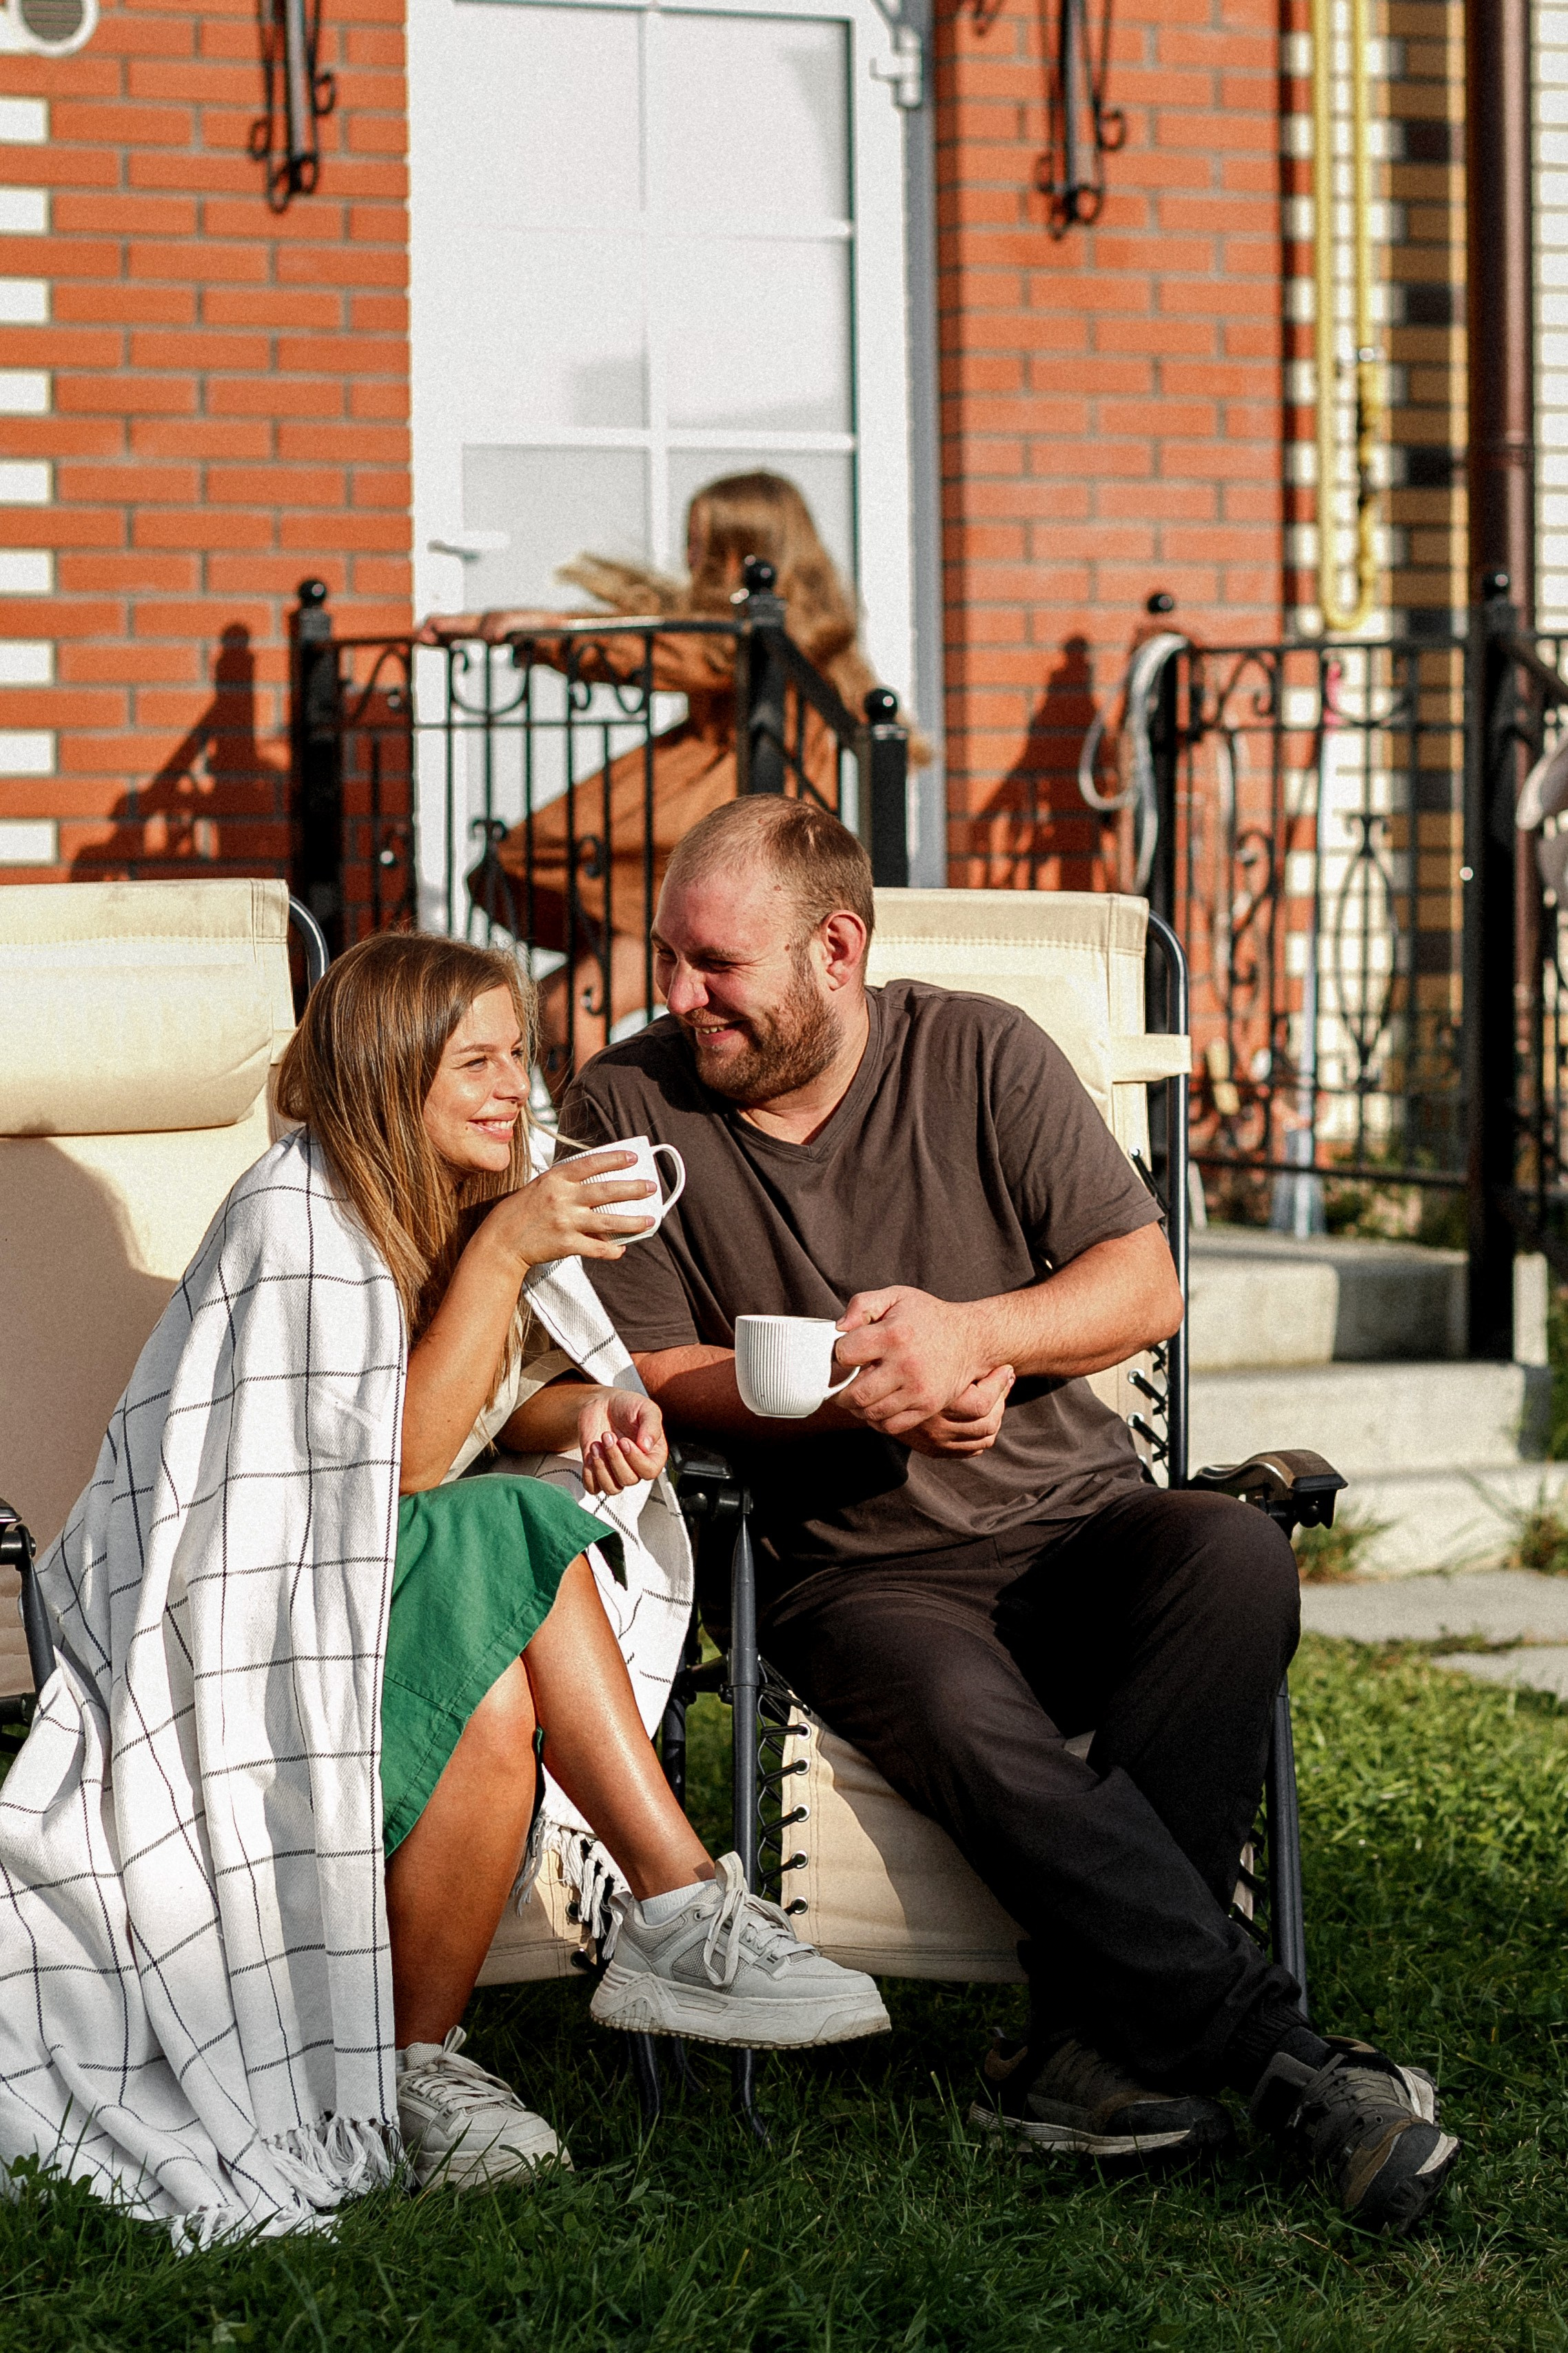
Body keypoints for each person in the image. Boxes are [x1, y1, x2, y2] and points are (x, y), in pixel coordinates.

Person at [559, 796, 1460, 2236]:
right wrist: (851, 1399)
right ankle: (1285, 2056)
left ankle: (1083, 2044)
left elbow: (1142, 1280)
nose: (676, 995)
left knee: (1230, 1549)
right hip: (861, 1576)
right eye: (667, 955)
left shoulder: (979, 1049)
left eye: (713, 963)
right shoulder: (630, 1104)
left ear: (835, 947)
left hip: (1073, 1521)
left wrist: (979, 1336)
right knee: (972, 1714)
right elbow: (652, 1366)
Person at [0, 931, 886, 2239]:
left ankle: (411, 2064)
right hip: (231, 1631)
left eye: (515, 1054)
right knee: (497, 1538)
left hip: (375, 1606)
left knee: (492, 1683)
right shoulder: (292, 1216)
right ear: (384, 1074)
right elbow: (395, 1458)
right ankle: (678, 1902)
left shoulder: (455, 1199)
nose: (507, 1086)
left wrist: (584, 1412)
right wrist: (507, 1251)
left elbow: (483, 1406)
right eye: (472, 1060)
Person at [416, 470, 924, 1083]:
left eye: (702, 543)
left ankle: (604, 1157)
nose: (689, 558)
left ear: (746, 551)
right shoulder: (774, 636)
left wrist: (540, 629)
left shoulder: (766, 640)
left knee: (574, 1010)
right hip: (680, 857)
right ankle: (597, 1154)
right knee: (557, 1009)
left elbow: (656, 649)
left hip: (699, 859)